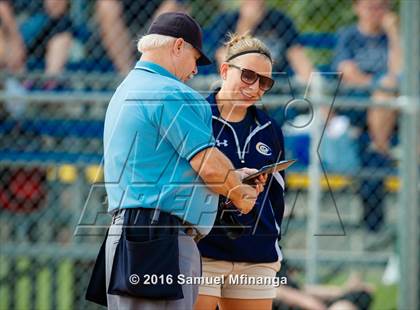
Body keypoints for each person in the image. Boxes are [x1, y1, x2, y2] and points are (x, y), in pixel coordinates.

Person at [101, 13, 265, 309]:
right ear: (178, 46)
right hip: (159, 237)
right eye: (194, 58)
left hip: (134, 234)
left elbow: (170, 166)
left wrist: (234, 176)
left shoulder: (127, 88)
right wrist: (239, 193)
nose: (193, 71)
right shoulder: (171, 92)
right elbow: (209, 166)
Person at [195, 33, 286, 310]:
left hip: (255, 251)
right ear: (225, 70)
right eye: (248, 75)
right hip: (203, 249)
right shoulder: (197, 116)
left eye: (264, 82)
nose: (255, 86)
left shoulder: (269, 129)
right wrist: (232, 179)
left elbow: (277, 197)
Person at [332, 0, 401, 234]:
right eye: (370, 6)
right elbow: (349, 74)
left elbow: (402, 72)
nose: (376, 12)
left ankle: (378, 146)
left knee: (373, 161)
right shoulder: (349, 36)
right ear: (357, 8)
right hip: (357, 107)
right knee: (385, 88)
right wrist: (381, 87)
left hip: (393, 112)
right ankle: (381, 146)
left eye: (381, 7)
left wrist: (393, 33)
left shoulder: (394, 39)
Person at [204, 0, 313, 81]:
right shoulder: (227, 20)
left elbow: (297, 55)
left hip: (273, 84)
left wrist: (314, 86)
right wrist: (246, 24)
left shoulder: (280, 20)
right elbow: (224, 60)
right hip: (240, 81)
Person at [95, 0, 187, 74]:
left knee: (171, 9)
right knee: (106, 5)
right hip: (126, 12)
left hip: (156, 10)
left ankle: (155, 76)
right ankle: (127, 77)